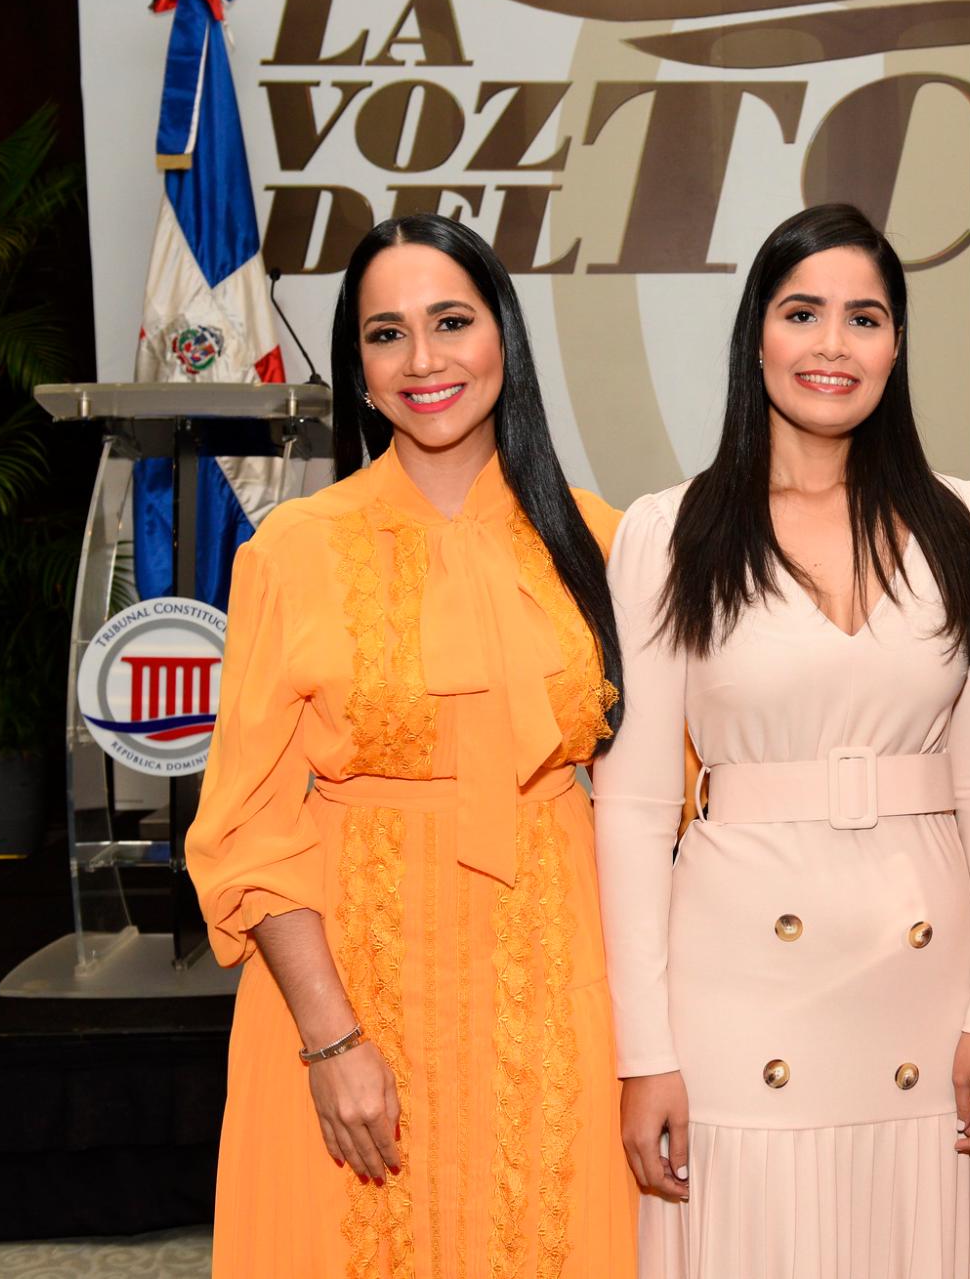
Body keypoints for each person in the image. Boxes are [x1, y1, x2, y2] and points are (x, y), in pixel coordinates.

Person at [186, 213, 637, 1277]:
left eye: (450, 322)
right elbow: (247, 823)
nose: (423, 360)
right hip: (349, 976)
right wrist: (331, 1039)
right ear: (358, 365)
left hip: (558, 973)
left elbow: (671, 789)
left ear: (503, 340)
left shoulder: (603, 539)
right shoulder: (294, 551)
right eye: (386, 334)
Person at [593, 203, 970, 1278]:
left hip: (920, 978)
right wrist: (644, 1053)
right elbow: (638, 805)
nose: (834, 346)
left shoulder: (958, 519)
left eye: (865, 318)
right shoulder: (671, 529)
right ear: (757, 337)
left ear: (896, 345)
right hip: (739, 976)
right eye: (804, 313)